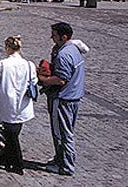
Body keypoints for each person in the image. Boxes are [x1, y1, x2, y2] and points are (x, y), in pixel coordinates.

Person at [38, 22, 86, 176]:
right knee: (66, 131)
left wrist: (43, 80)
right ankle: (60, 159)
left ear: (63, 37)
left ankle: (66, 166)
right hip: (74, 97)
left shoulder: (64, 55)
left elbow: (60, 79)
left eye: (54, 34)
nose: (51, 37)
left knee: (62, 133)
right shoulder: (72, 49)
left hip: (63, 98)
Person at [0, 35, 37, 175]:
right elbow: (33, 82)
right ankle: (8, 159)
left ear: (7, 47)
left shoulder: (3, 64)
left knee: (11, 135)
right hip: (23, 105)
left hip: (7, 103)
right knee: (13, 133)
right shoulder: (29, 65)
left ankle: (16, 163)